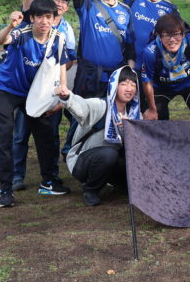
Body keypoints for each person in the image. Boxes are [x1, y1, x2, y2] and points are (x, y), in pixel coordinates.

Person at [0, 0, 71, 208]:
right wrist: (10, 25)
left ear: (54, 19)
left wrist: (63, 93)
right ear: (32, 18)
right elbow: (0, 40)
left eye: (48, 17)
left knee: (46, 135)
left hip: (34, 93)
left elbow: (61, 65)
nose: (44, 21)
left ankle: (48, 182)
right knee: (6, 137)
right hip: (6, 89)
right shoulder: (22, 33)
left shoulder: (58, 38)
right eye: (39, 17)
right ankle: (5, 189)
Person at [11, 0, 77, 191]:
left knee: (50, 134)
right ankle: (16, 176)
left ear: (66, 7)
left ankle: (50, 177)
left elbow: (69, 60)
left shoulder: (66, 29)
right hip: (26, 88)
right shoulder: (36, 18)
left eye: (63, 1)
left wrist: (54, 76)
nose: (59, 3)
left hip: (50, 90)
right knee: (21, 133)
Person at [55, 66, 141, 206]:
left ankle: (119, 183)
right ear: (114, 86)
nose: (129, 89)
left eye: (133, 85)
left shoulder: (135, 114)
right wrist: (67, 97)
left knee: (132, 155)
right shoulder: (101, 105)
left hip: (111, 161)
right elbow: (82, 107)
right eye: (124, 84)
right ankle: (90, 190)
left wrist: (129, 131)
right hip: (83, 161)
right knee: (109, 154)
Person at [60, 0, 135, 99]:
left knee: (110, 111)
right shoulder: (88, 3)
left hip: (115, 76)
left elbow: (130, 47)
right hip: (88, 76)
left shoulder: (126, 11)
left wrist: (129, 73)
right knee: (82, 111)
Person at [140, 13, 190, 121]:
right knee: (158, 121)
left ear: (183, 34)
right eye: (166, 35)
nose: (172, 40)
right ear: (159, 36)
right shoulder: (150, 52)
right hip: (162, 87)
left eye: (176, 34)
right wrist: (152, 110)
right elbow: (147, 82)